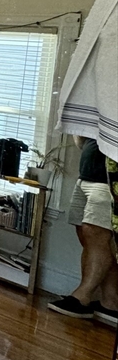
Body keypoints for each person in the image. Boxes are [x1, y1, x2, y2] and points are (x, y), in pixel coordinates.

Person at [48, 137, 118, 323]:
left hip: (109, 180)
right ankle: (111, 303)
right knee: (88, 236)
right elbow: (80, 140)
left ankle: (82, 297)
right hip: (87, 174)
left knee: (96, 232)